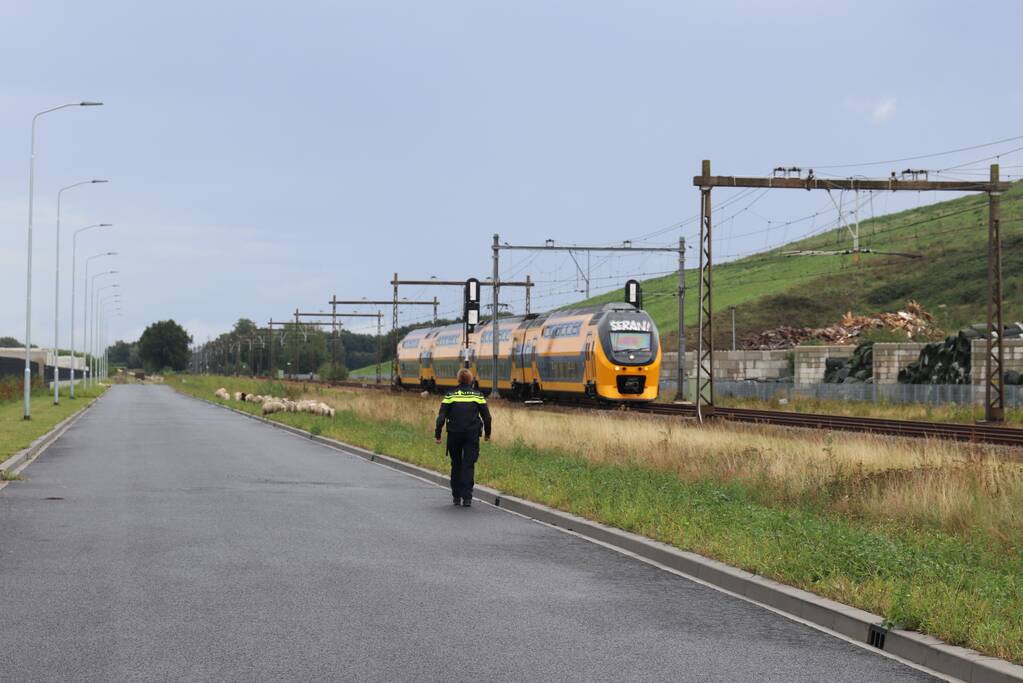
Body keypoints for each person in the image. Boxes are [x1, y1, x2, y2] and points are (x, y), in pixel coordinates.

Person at [435, 368, 492, 507]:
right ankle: (467, 497)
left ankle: (456, 496)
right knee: (468, 465)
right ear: (470, 380)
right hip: (472, 435)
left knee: (456, 464)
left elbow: (441, 416)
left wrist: (438, 434)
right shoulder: (477, 395)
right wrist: (487, 434)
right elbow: (487, 417)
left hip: (454, 434)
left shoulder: (450, 395)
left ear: (458, 379)